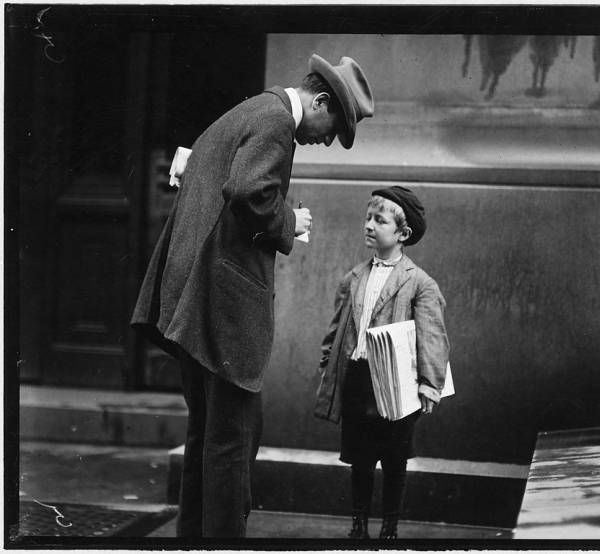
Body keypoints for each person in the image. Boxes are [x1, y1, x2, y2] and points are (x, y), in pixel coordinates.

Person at [130, 54, 374, 538]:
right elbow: (247, 190)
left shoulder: (248, 112)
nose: (326, 139)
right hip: (223, 310)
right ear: (320, 100)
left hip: (192, 302)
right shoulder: (276, 123)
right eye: (334, 127)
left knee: (207, 437)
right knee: (232, 443)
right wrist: (289, 222)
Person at [314, 186, 451, 539]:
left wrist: (429, 384)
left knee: (394, 460)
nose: (370, 225)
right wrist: (328, 363)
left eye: (380, 220)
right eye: (368, 218)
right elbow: (338, 328)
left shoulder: (419, 283)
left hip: (396, 385)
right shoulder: (354, 277)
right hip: (358, 380)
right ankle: (358, 524)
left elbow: (432, 337)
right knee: (360, 459)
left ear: (403, 234)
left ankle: (389, 528)